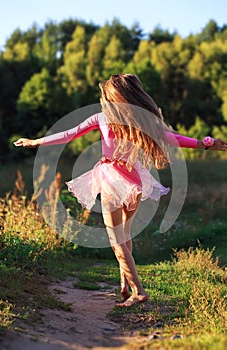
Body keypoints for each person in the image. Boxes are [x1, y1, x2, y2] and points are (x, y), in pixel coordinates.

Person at [14, 73, 227, 307]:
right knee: (124, 235)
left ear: (111, 97)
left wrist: (35, 142)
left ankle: (138, 291)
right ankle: (125, 284)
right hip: (134, 181)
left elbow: (69, 134)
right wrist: (205, 144)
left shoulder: (102, 118)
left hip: (111, 180)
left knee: (116, 239)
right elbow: (171, 138)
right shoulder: (141, 122)